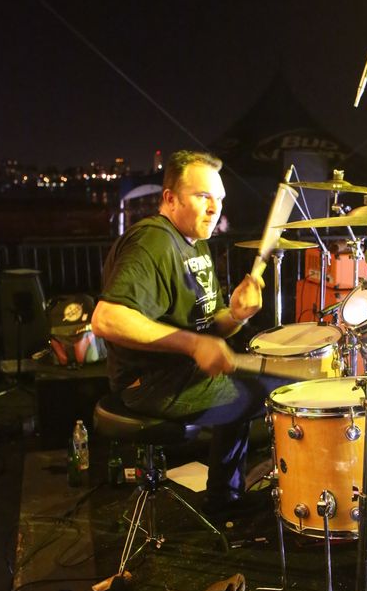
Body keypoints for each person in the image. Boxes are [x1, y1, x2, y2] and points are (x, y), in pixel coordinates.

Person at [92, 149, 281, 518]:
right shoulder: (153, 242)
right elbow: (107, 319)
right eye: (202, 196)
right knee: (273, 391)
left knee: (257, 384)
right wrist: (194, 345)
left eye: (219, 199)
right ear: (170, 199)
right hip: (151, 384)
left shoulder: (195, 244)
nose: (214, 209)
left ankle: (225, 497)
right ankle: (227, 500)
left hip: (183, 375)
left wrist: (237, 315)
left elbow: (210, 327)